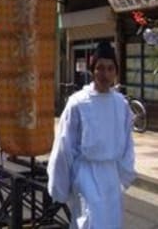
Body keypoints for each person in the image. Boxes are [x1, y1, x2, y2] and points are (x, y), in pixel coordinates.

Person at [47, 41, 136, 229]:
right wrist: (60, 185)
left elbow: (128, 141)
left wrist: (124, 174)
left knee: (112, 222)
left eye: (110, 68)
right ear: (92, 70)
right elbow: (64, 146)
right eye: (100, 68)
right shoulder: (78, 102)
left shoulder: (121, 104)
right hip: (86, 174)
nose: (105, 74)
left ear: (116, 72)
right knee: (88, 222)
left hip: (111, 176)